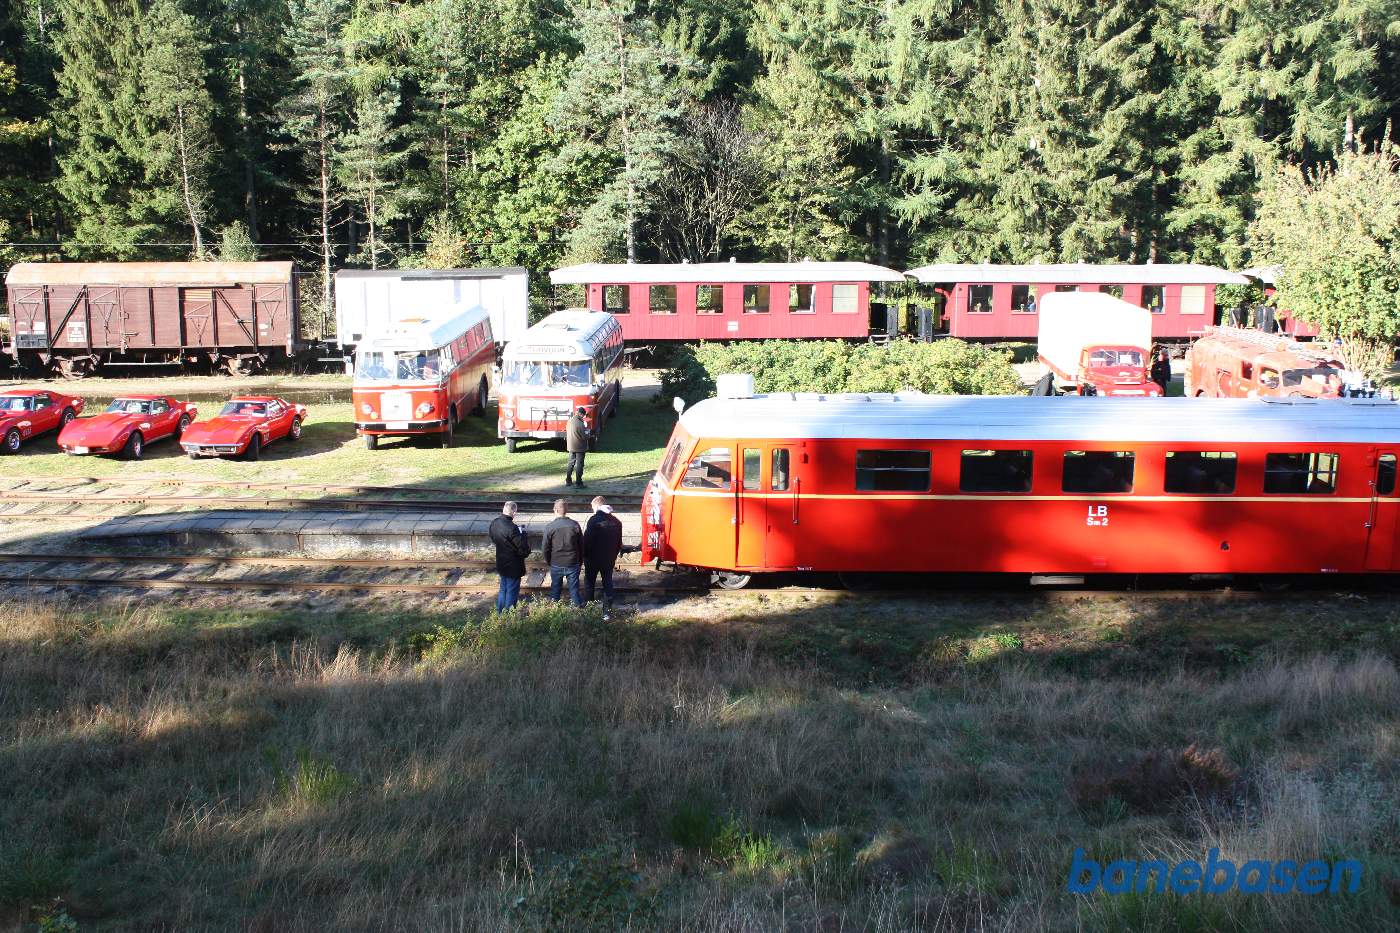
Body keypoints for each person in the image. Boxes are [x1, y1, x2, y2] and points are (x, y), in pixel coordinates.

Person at [583, 496, 624, 617]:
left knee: (590, 582)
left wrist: (584, 555)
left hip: (592, 559)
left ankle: (589, 610)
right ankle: (607, 612)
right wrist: (613, 555)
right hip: (608, 559)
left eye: (592, 508)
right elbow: (618, 543)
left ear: (596, 507)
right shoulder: (617, 521)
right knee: (608, 582)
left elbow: (587, 541)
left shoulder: (593, 521)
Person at [488, 501, 531, 612]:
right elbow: (523, 549)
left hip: (501, 562)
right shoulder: (513, 528)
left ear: (504, 509)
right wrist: (523, 535)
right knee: (512, 590)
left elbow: (494, 538)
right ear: (514, 512)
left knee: (503, 589)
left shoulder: (494, 523)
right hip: (513, 565)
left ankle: (500, 612)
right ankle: (509, 616)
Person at [542, 499, 583, 606]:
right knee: (574, 590)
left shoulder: (550, 527)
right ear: (567, 510)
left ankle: (554, 612)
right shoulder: (575, 525)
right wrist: (580, 561)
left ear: (555, 510)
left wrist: (549, 561)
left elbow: (545, 548)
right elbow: (581, 545)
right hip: (572, 562)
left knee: (555, 590)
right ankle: (579, 612)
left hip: (556, 562)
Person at [565, 407, 588, 487]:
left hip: (571, 446)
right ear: (581, 414)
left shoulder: (569, 421)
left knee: (571, 463)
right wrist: (587, 432)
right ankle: (578, 482)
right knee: (579, 464)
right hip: (579, 447)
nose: (583, 417)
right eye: (583, 415)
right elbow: (584, 437)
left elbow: (567, 430)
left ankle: (568, 480)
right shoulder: (580, 424)